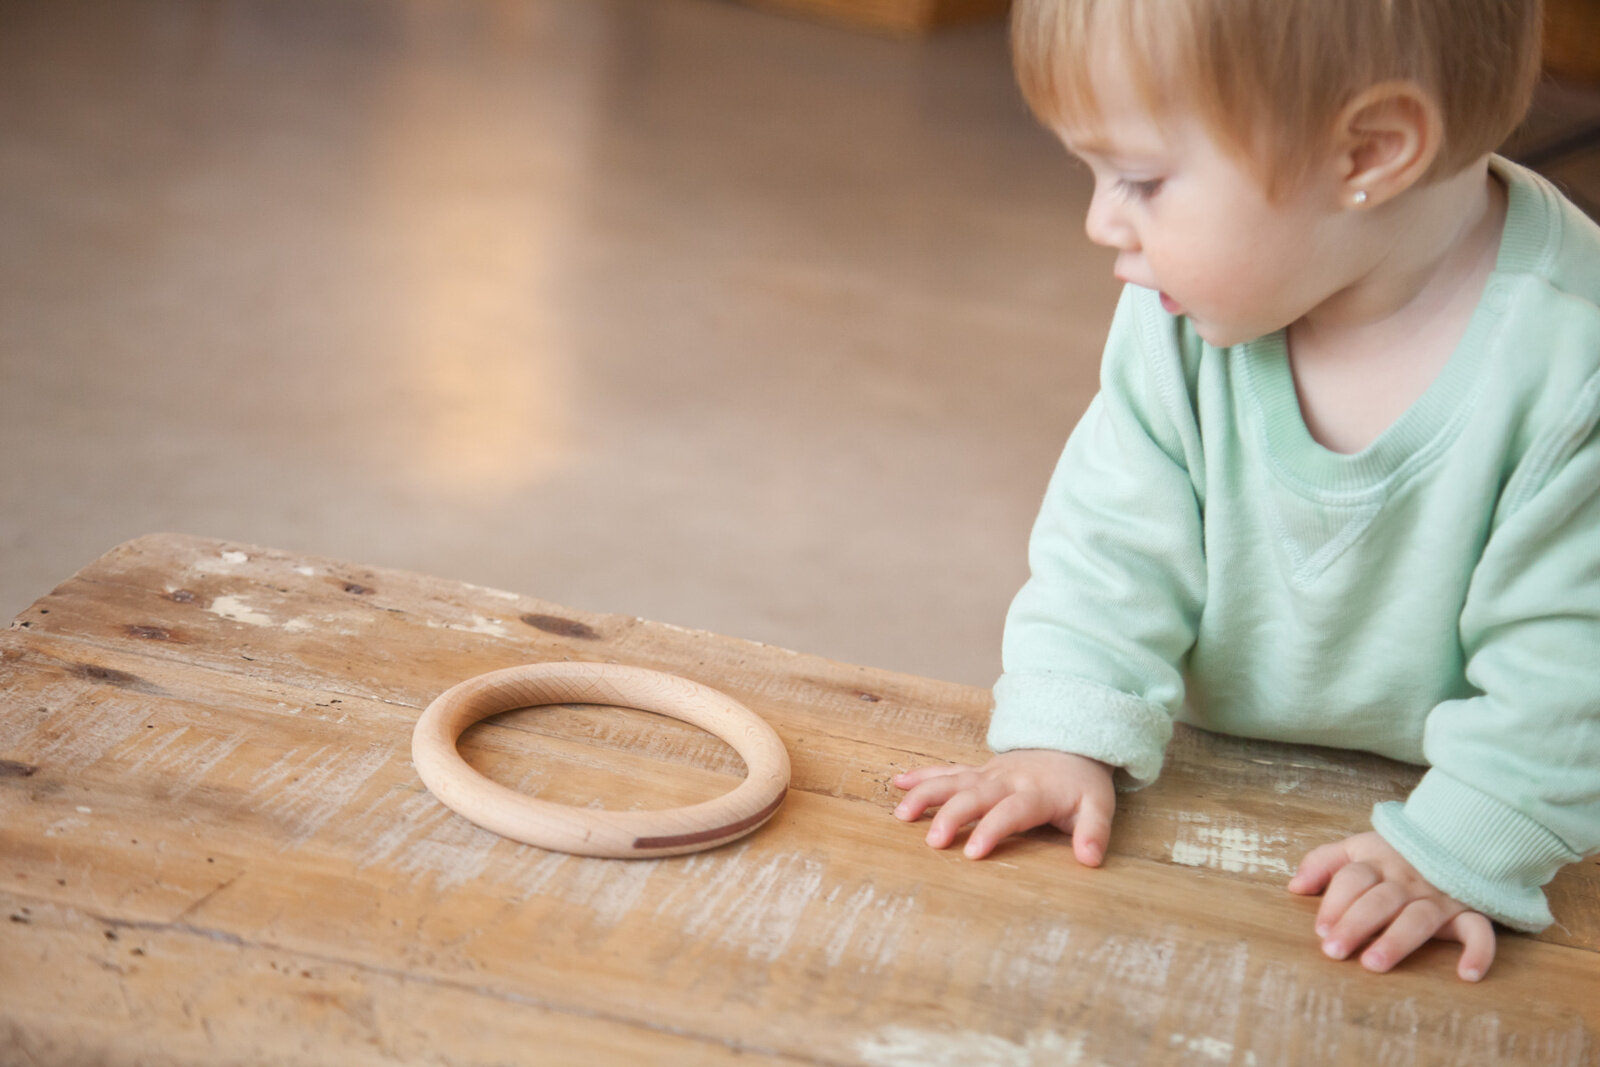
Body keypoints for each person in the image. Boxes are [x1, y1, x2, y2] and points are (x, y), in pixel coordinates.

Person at [893, 0, 1600, 982]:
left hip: (1452, 804)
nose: (1100, 221)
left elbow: (1568, 667)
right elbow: (1110, 540)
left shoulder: (1571, 361)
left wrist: (1465, 852)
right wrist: (1064, 732)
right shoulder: (1174, 315)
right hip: (1210, 782)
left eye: (1139, 179)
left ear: (1367, 153)